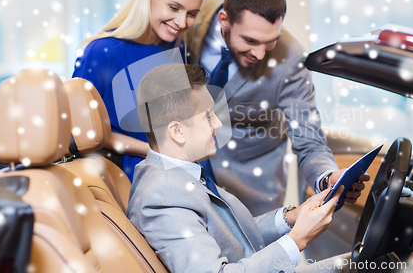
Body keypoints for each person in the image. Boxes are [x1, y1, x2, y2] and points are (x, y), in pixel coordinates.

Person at [127, 63, 351, 273]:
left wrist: (292, 217)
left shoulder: (174, 173)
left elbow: (230, 236)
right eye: (207, 116)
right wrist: (298, 238)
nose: (217, 123)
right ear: (177, 131)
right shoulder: (163, 195)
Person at [186, 0, 369, 216]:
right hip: (185, 178)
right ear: (224, 20)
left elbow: (309, 140)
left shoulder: (291, 61)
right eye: (249, 40)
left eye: (270, 42)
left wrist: (326, 177)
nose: (260, 54)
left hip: (252, 195)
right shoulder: (191, 15)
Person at [72, 0, 207, 181]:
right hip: (122, 181)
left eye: (192, 13)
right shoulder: (101, 51)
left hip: (171, 176)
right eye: (174, 7)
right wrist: (153, 151)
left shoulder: (176, 46)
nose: (182, 22)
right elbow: (81, 133)